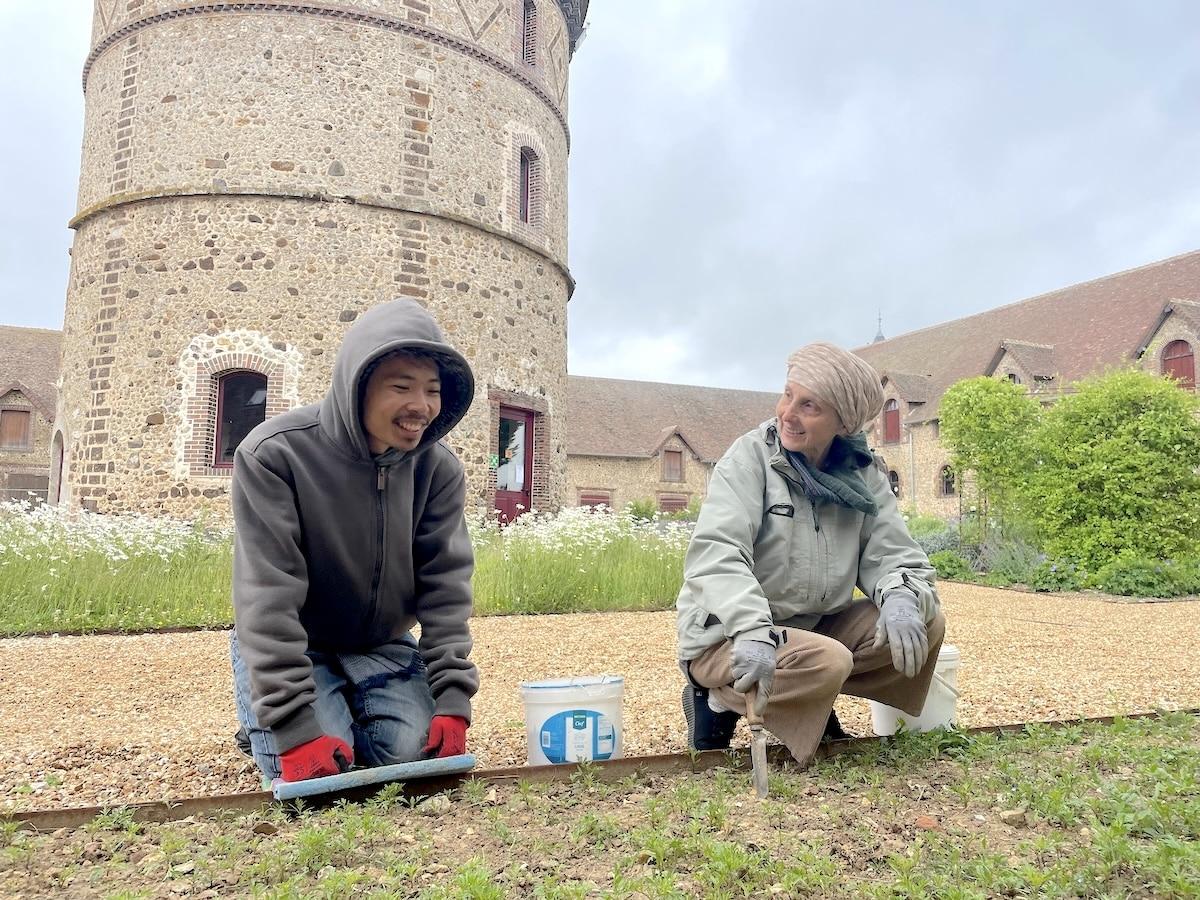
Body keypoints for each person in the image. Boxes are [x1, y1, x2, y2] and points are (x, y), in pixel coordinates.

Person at [229, 298, 479, 783]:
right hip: (297, 642)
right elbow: (268, 592)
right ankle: (268, 714)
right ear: (356, 385)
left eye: (432, 390)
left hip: (381, 643)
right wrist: (293, 726)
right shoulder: (273, 455)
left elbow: (446, 587)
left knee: (411, 759)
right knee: (315, 780)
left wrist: (451, 697)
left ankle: (339, 704)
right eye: (401, 386)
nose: (421, 406)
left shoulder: (439, 470)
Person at [677, 342, 945, 766]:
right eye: (788, 395)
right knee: (826, 660)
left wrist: (899, 595)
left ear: (844, 421)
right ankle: (715, 701)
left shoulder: (862, 471)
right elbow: (717, 553)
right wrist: (749, 626)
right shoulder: (751, 459)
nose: (788, 413)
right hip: (728, 633)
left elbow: (891, 551)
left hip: (813, 628)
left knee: (923, 619)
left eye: (809, 406)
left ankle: (810, 706)